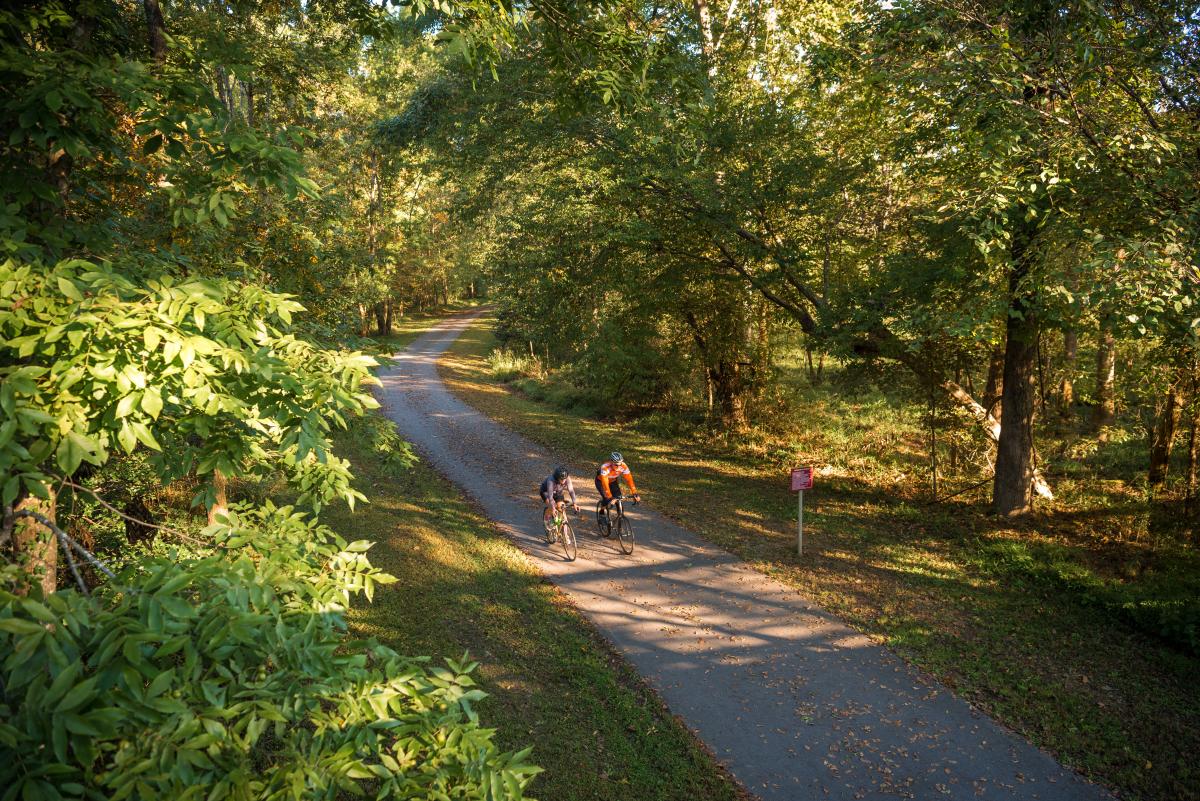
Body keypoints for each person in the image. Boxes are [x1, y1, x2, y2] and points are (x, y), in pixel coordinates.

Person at [595, 452, 640, 521]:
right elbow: (605, 484)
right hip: (601, 482)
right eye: (616, 465)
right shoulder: (605, 467)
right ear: (611, 462)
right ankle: (601, 512)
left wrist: (635, 493)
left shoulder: (624, 466)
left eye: (620, 464)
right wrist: (610, 497)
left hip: (612, 481)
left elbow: (629, 480)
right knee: (606, 499)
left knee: (618, 499)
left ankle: (620, 517)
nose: (619, 467)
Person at [540, 466, 578, 532]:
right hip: (546, 492)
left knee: (562, 508)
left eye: (565, 479)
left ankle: (566, 536)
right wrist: (553, 508)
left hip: (558, 493)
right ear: (557, 478)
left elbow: (571, 490)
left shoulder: (567, 478)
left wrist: (574, 503)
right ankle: (547, 518)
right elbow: (550, 497)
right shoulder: (551, 481)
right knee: (551, 506)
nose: (563, 481)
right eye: (561, 479)